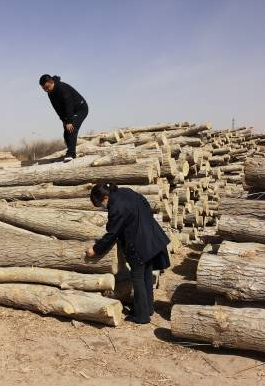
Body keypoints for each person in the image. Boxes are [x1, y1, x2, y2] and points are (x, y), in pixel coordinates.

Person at [85, 182, 170, 324]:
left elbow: (112, 233)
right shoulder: (126, 191)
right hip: (150, 236)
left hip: (138, 243)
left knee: (137, 277)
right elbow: (145, 204)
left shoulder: (116, 207)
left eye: (101, 204)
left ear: (105, 198)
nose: (103, 207)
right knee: (146, 274)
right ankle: (148, 308)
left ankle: (141, 316)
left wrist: (95, 249)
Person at [39, 74, 88, 162]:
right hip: (70, 112)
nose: (45, 90)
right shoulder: (50, 93)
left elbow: (68, 104)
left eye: (47, 87)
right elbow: (57, 108)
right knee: (66, 133)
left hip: (80, 108)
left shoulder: (62, 88)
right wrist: (63, 120)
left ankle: (71, 153)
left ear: (51, 82)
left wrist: (69, 121)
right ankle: (70, 151)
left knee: (72, 128)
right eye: (43, 89)